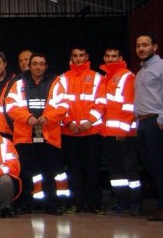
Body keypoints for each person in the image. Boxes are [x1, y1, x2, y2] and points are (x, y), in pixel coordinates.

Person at [5, 53, 69, 215]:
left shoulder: (56, 83)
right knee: (27, 172)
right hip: (25, 136)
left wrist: (47, 118)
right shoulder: (18, 83)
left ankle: (51, 204)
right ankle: (26, 204)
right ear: (30, 65)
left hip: (49, 136)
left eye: (41, 64)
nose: (38, 67)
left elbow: (62, 106)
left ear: (46, 66)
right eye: (35, 64)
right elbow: (10, 107)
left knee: (49, 171)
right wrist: (28, 118)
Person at [133, 34, 163, 221]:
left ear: (155, 46)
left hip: (157, 122)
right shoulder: (141, 71)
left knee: (160, 166)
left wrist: (162, 121)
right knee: (150, 165)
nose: (141, 49)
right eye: (138, 46)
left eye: (145, 45)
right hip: (144, 123)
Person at [59, 47, 106, 215]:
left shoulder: (97, 78)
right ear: (71, 57)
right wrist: (68, 122)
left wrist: (89, 121)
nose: (78, 59)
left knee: (93, 169)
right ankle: (76, 203)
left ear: (87, 57)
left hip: (92, 133)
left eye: (81, 55)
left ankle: (94, 204)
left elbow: (101, 102)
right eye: (75, 56)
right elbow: (58, 104)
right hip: (70, 132)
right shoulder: (63, 79)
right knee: (73, 170)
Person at [99, 47, 141, 214]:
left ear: (120, 57)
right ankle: (122, 201)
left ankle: (136, 202)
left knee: (130, 169)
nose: (110, 59)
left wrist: (123, 129)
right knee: (116, 170)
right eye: (108, 56)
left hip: (125, 134)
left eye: (114, 56)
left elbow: (130, 105)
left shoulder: (127, 76)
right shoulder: (106, 77)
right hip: (109, 133)